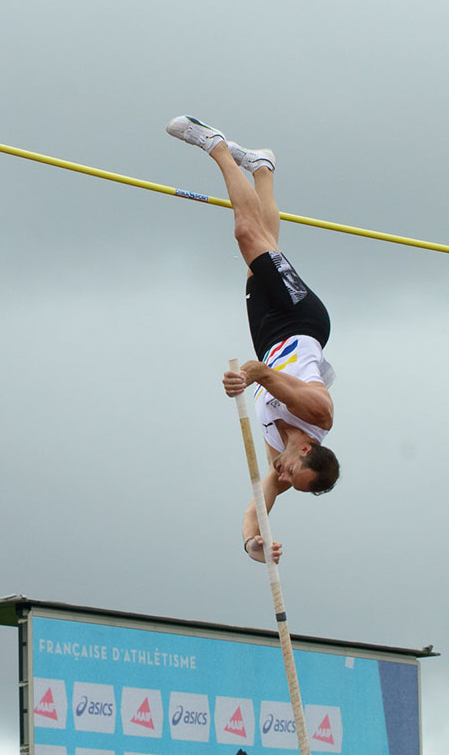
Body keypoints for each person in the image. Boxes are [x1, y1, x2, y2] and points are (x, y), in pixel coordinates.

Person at [167, 116, 340, 564]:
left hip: (269, 335)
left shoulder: (286, 459)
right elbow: (260, 372)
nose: (280, 475)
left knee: (262, 242)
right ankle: (217, 147)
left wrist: (253, 544)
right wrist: (240, 378)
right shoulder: (317, 413)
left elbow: (256, 508)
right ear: (307, 450)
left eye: (286, 478)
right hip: (298, 320)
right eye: (290, 471)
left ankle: (262, 168)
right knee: (247, 235)